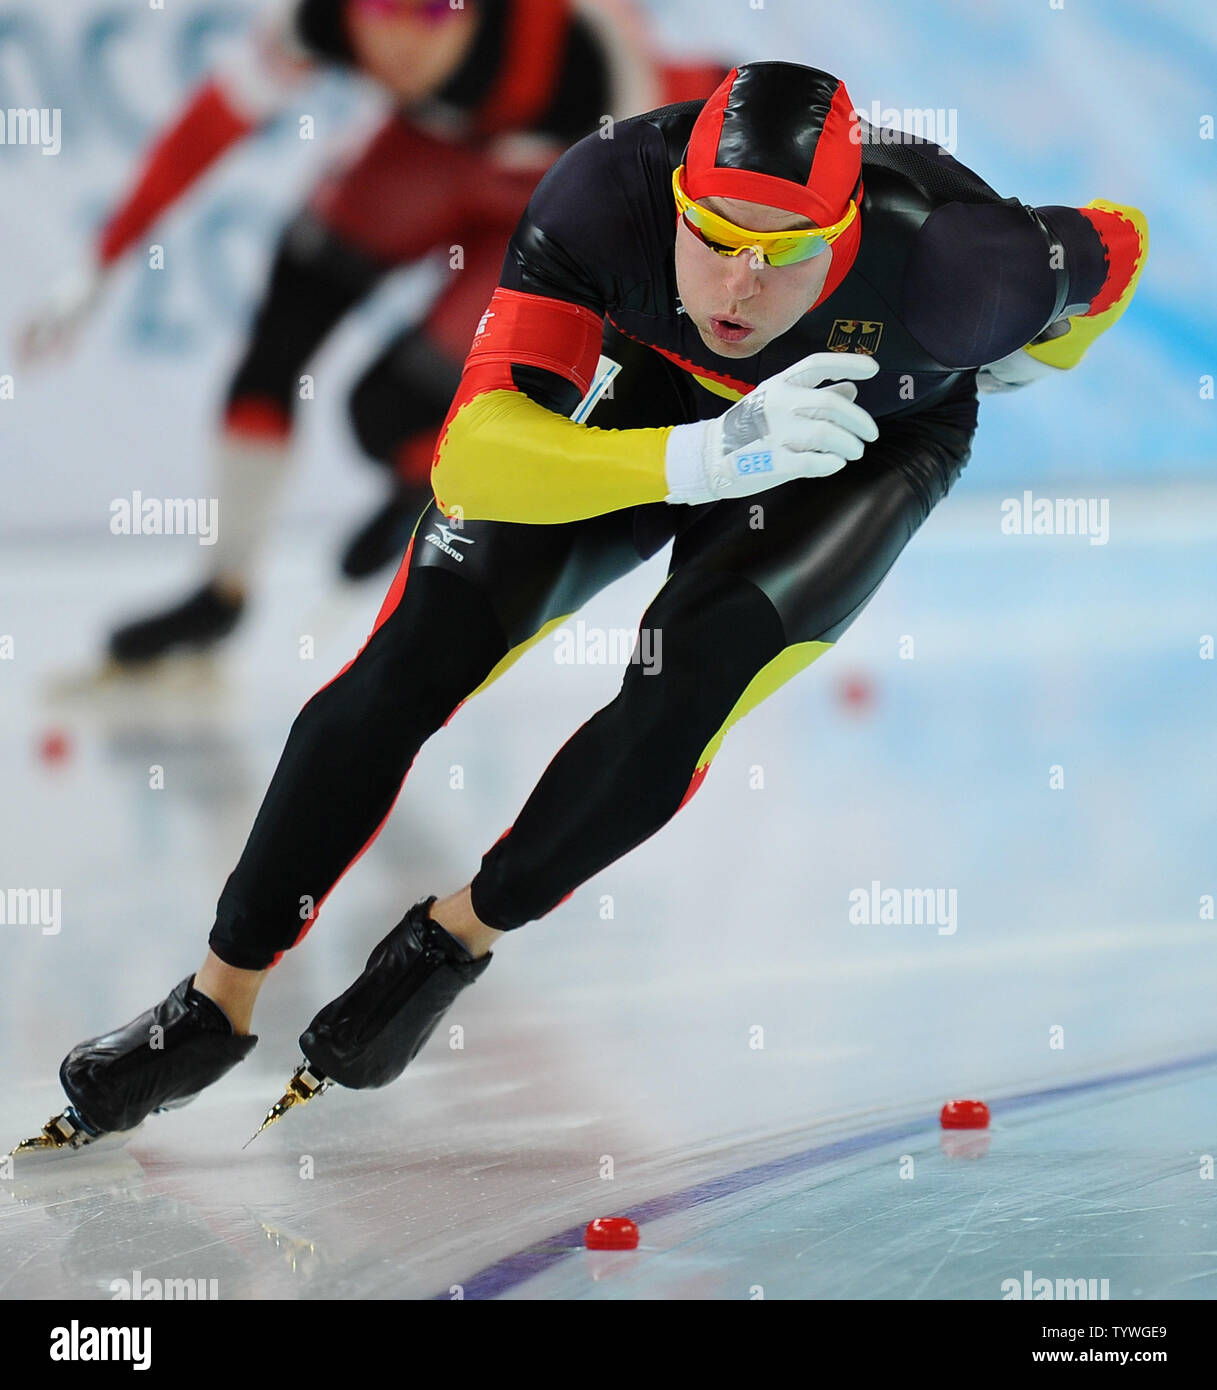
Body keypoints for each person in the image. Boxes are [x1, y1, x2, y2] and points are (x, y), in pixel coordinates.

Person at [10, 61, 1147, 1158]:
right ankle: (216, 1002)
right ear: (675, 204)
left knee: (683, 685)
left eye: (784, 254)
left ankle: (456, 936)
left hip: (864, 436)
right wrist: (698, 457)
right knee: (409, 659)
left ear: (844, 238)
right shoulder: (609, 189)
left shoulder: (964, 267)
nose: (741, 285)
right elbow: (474, 461)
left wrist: (1047, 350)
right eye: (712, 238)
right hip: (654, 388)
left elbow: (1118, 244)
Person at [17, 0, 725, 665]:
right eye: (380, 8)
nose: (404, 38)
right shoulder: (317, 19)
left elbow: (640, 239)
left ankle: (422, 483)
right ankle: (219, 592)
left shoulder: (579, 52)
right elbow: (209, 128)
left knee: (388, 411)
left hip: (558, 180)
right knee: (287, 314)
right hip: (433, 141)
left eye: (434, 9)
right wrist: (100, 264)